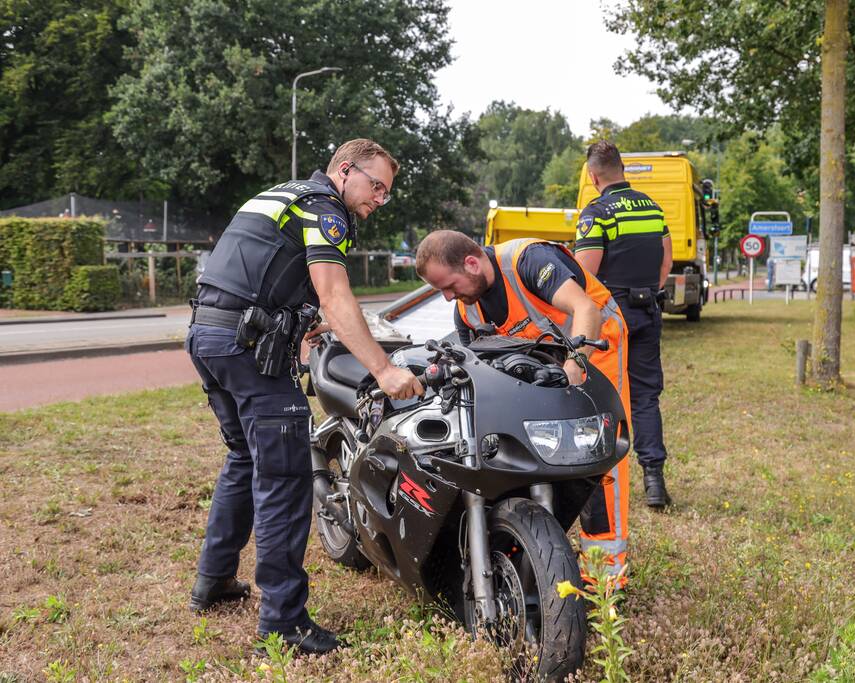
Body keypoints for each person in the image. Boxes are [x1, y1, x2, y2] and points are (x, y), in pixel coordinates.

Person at [185, 138, 423, 655]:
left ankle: (213, 581)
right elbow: (335, 295)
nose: (379, 199)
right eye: (375, 185)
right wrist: (383, 370)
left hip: (208, 335)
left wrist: (298, 322)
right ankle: (283, 621)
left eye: (387, 193)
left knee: (243, 458)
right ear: (344, 170)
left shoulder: (282, 195)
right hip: (247, 351)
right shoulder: (326, 210)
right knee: (286, 477)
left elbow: (260, 274)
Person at [415, 230, 631, 575]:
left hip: (595, 345)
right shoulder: (467, 311)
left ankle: (605, 573)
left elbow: (584, 308)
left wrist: (576, 364)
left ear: (471, 263)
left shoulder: (527, 261)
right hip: (543, 363)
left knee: (596, 453)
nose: (446, 297)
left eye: (450, 286)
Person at [573, 140, 673, 508]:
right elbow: (666, 262)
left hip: (611, 319)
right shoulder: (652, 208)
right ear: (622, 169)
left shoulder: (596, 212)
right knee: (646, 396)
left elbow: (584, 274)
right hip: (648, 310)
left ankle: (598, 482)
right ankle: (654, 482)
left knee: (598, 397)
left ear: (593, 175)